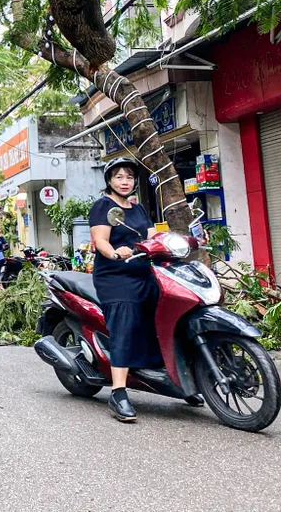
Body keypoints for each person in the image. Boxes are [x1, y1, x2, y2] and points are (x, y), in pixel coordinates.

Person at [88, 157, 203, 422]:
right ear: (109, 180)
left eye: (129, 177)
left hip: (145, 272)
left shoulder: (138, 209)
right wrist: (115, 252)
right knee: (125, 323)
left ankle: (178, 378)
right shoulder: (103, 207)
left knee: (172, 314)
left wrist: (184, 241)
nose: (125, 181)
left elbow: (153, 236)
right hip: (116, 276)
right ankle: (118, 392)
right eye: (119, 177)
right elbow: (100, 241)